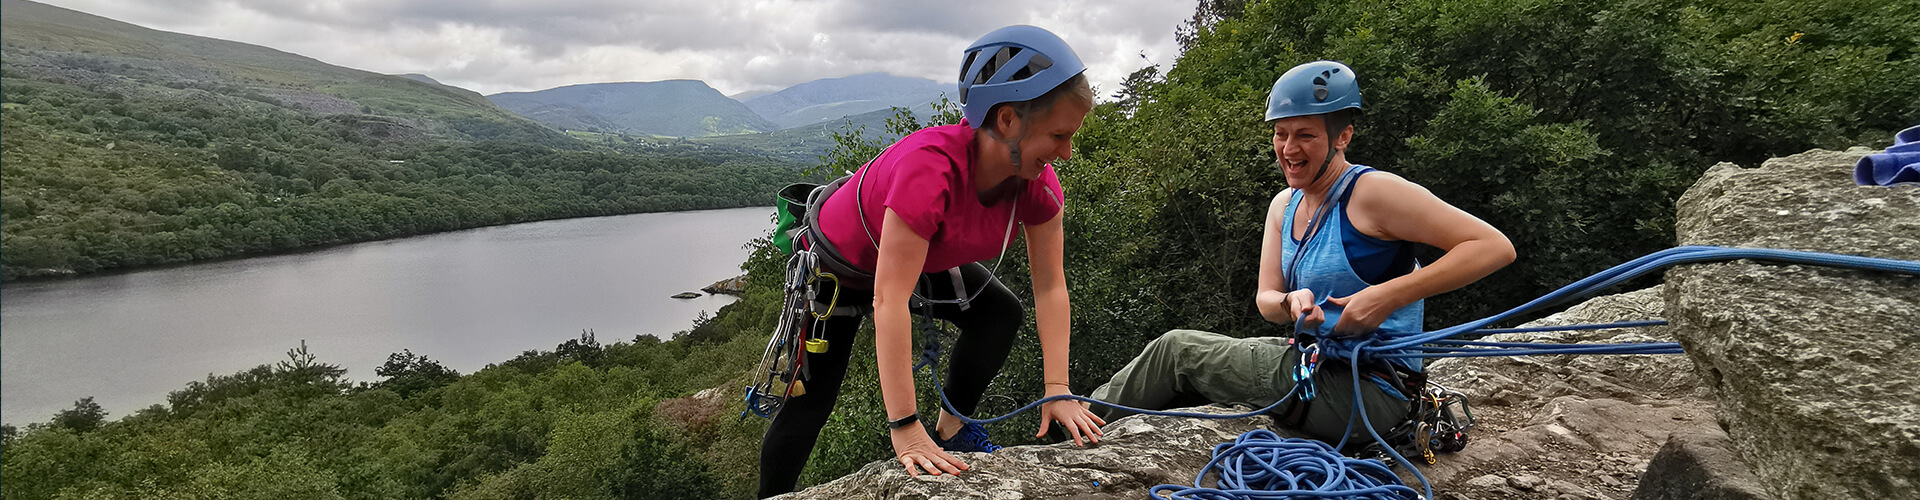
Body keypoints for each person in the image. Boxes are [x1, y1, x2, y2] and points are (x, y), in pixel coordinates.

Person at [1086, 60, 1516, 445]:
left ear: (1343, 135)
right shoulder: (1284, 205)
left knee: (1176, 351)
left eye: (1306, 135)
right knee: (1189, 370)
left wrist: (1387, 296)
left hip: (1367, 392)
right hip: (1320, 369)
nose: (1289, 149)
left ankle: (1071, 430)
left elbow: (1493, 247)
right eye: (1281, 134)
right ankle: (1086, 426)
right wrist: (1290, 303)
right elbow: (1266, 299)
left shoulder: (1372, 194)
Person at [757, 25, 1106, 498]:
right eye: (1059, 135)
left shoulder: (1037, 185)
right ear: (1007, 121)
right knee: (811, 403)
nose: (1066, 152)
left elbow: (1051, 287)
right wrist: (903, 426)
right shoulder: (930, 170)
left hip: (909, 260)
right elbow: (889, 298)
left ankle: (952, 429)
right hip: (837, 271)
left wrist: (1058, 387)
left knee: (1000, 314)